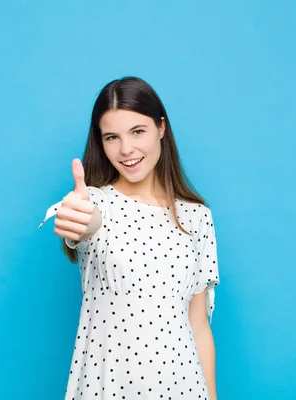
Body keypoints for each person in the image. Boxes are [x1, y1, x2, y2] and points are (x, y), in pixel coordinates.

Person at [39, 76, 220, 399]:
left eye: (138, 132)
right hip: (108, 388)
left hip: (183, 387)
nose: (126, 150)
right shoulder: (95, 203)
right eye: (112, 137)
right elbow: (86, 224)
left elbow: (199, 324)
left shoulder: (197, 217)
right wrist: (77, 220)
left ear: (161, 127)